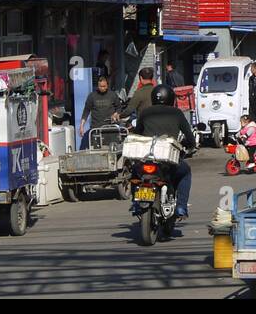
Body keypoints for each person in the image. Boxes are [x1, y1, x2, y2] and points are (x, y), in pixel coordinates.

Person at [133, 84, 196, 218]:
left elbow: (136, 134)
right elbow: (190, 137)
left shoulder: (145, 112)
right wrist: (189, 144)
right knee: (185, 172)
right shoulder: (177, 113)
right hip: (167, 161)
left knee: (135, 173)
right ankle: (181, 207)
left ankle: (135, 202)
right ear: (171, 98)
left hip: (145, 158)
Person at [80, 75, 122, 149]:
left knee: (112, 149)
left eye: (104, 86)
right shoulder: (92, 96)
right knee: (97, 150)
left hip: (110, 128)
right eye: (100, 86)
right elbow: (86, 111)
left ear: (107, 86)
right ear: (97, 86)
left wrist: (116, 114)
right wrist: (81, 126)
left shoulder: (112, 95)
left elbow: (119, 107)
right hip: (96, 128)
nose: (102, 88)